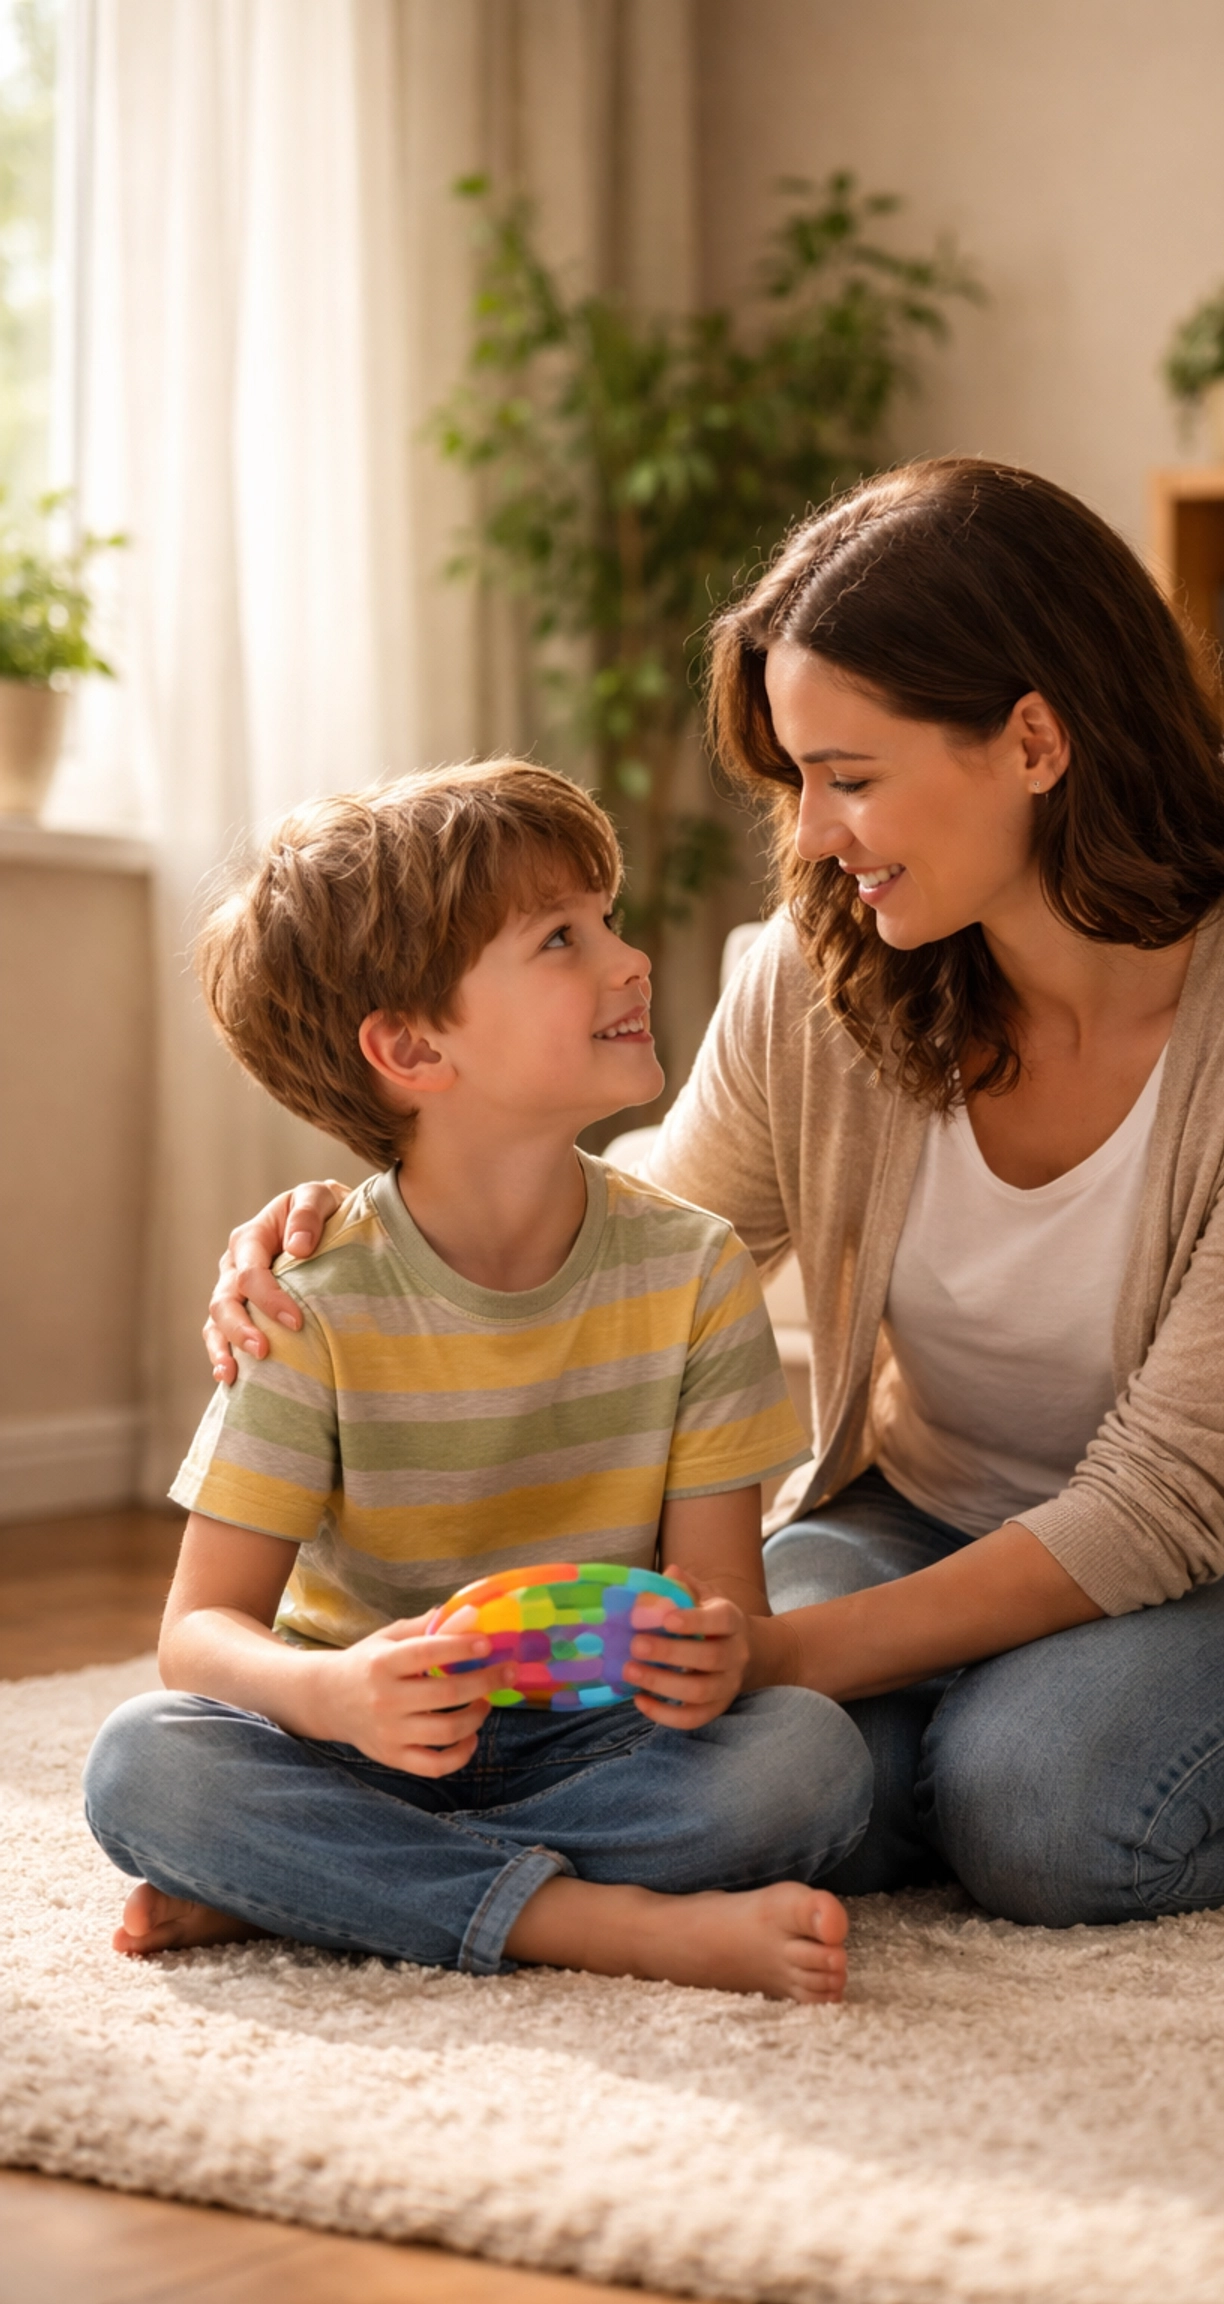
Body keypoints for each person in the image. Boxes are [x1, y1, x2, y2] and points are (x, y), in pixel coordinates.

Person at [204, 460, 1224, 1930]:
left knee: (1039, 1805)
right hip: (912, 1514)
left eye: (850, 777)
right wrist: (373, 1218)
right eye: (799, 781)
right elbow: (648, 1229)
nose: (818, 836)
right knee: (741, 1760)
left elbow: (1175, 1500)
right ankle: (411, 1875)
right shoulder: (822, 974)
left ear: (1033, 740)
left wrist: (787, 1656)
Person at [84, 759, 872, 2002]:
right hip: (363, 1745)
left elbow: (727, 1599)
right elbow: (199, 1636)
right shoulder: (312, 1298)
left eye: (606, 920)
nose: (630, 960)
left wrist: (715, 1649)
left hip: (599, 1739)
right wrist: (335, 1694)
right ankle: (604, 1925)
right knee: (145, 1764)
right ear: (410, 1045)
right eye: (562, 938)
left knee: (809, 1764)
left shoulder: (695, 1272)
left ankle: (318, 1884)